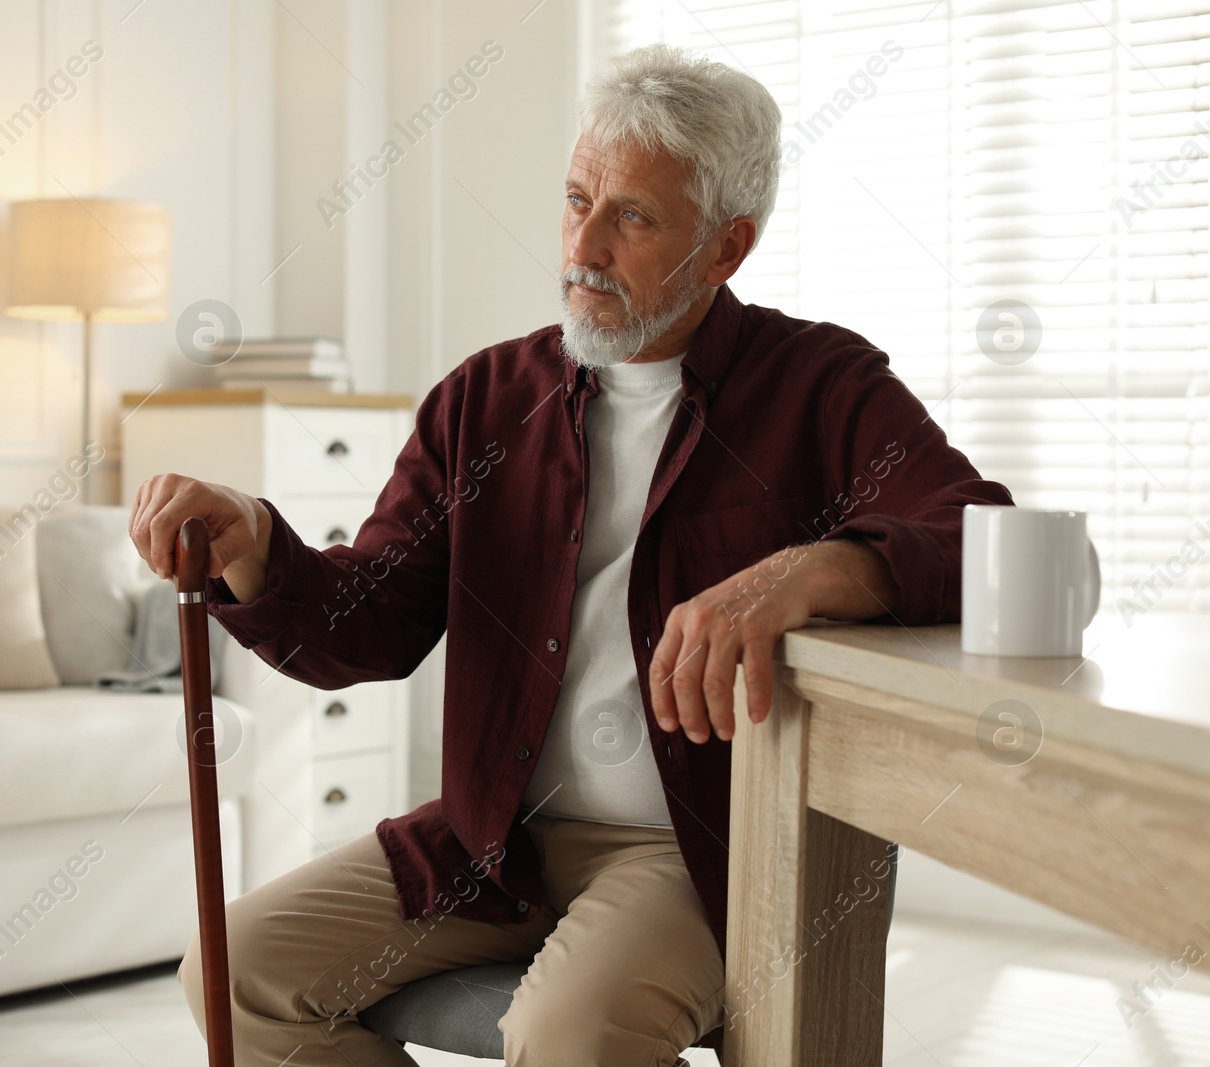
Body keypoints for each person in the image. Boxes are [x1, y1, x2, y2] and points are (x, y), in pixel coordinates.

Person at [131, 42, 1012, 1067]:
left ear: (726, 248)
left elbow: (975, 534)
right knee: (233, 971)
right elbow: (365, 624)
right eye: (575, 199)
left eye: (631, 215)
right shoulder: (485, 399)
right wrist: (256, 538)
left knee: (568, 1034)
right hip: (491, 840)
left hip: (691, 848)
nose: (582, 244)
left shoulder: (819, 385)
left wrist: (813, 570)